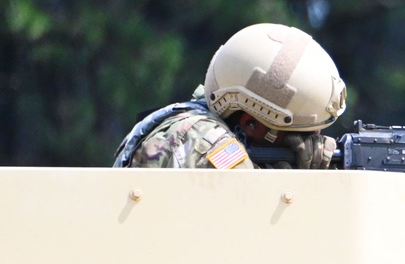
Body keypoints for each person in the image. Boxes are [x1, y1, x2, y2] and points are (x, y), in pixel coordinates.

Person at [113, 23, 346, 169]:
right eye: (301, 133)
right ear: (251, 124)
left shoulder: (198, 128)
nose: (315, 138)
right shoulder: (203, 140)